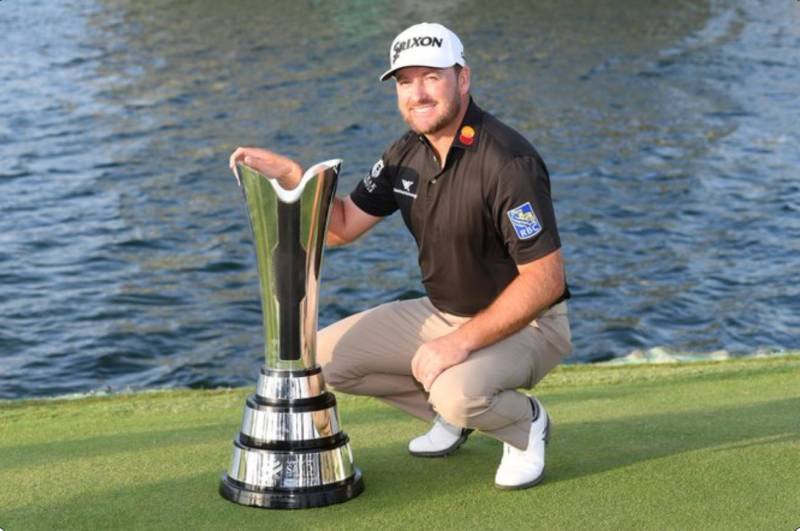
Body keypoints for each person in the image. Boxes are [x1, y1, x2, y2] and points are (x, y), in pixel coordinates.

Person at [229, 22, 571, 490]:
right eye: (406, 81)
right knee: (321, 361)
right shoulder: (404, 154)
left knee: (456, 392)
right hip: (442, 312)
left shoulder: (507, 163)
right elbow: (343, 226)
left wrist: (459, 344)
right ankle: (458, 417)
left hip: (530, 323)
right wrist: (293, 176)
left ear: (463, 79)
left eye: (431, 77)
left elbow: (545, 280)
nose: (418, 93)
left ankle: (524, 425)